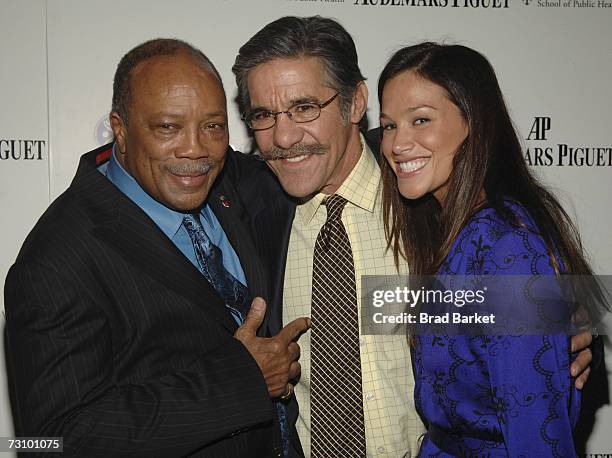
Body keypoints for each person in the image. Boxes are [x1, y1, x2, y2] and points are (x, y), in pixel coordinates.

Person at [231, 16, 595, 457]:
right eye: (263, 115)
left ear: (353, 102)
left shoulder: (431, 194)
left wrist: (562, 346)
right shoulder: (250, 199)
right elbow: (165, 154)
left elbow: (535, 352)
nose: (284, 136)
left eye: (305, 107)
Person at [4, 38, 309, 457]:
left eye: (213, 126)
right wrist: (242, 379)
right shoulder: (57, 260)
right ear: (120, 129)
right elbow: (56, 441)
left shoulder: (227, 182)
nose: (195, 149)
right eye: (167, 127)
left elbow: (305, 156)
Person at [378, 42, 606, 456]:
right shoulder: (454, 233)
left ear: (474, 124)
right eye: (389, 125)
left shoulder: (508, 246)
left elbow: (535, 433)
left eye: (421, 120)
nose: (397, 144)